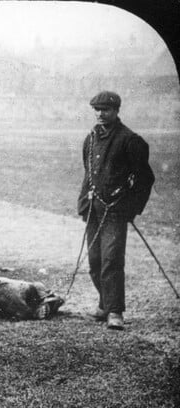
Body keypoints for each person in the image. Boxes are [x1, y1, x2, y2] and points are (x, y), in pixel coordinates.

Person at [78, 91, 154, 330]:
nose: (101, 114)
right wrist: (84, 203)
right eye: (97, 110)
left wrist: (129, 209)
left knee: (111, 260)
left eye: (106, 110)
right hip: (93, 209)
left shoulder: (130, 140)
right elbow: (89, 174)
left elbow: (145, 178)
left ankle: (115, 312)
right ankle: (104, 305)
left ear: (116, 111)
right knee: (95, 260)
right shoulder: (91, 139)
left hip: (115, 211)